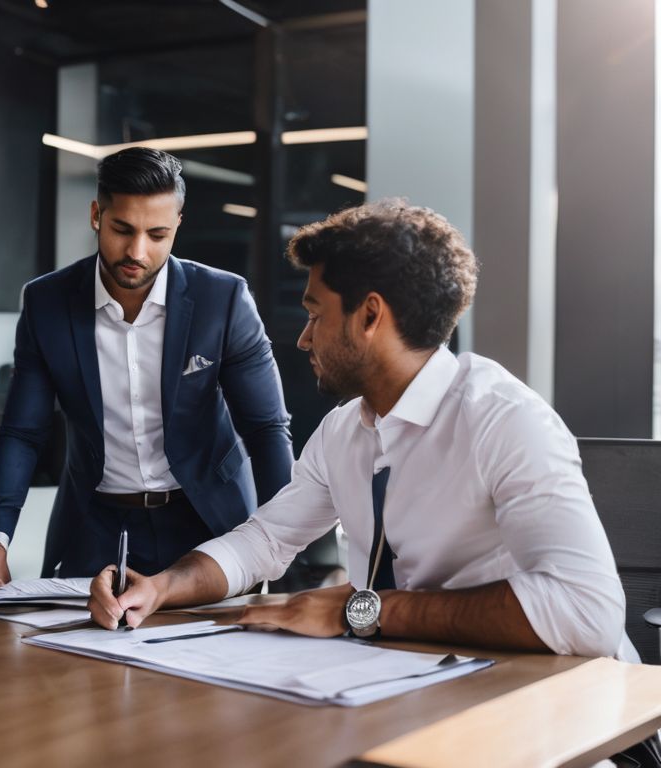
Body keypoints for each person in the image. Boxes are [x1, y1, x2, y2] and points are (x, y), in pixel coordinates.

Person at [87, 199, 632, 661]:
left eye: (315, 314)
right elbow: (264, 542)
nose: (303, 339)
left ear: (370, 316)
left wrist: (361, 610)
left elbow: (586, 615)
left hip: (547, 706)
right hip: (406, 680)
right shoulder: (346, 429)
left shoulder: (505, 420)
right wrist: (161, 587)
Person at [0, 147, 293, 587]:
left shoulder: (224, 300)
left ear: (178, 223)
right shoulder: (48, 302)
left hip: (210, 523)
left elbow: (266, 429)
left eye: (157, 234)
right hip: (95, 524)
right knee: (71, 652)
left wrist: (284, 544)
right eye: (122, 229)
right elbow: (23, 433)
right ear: (96, 214)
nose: (137, 251)